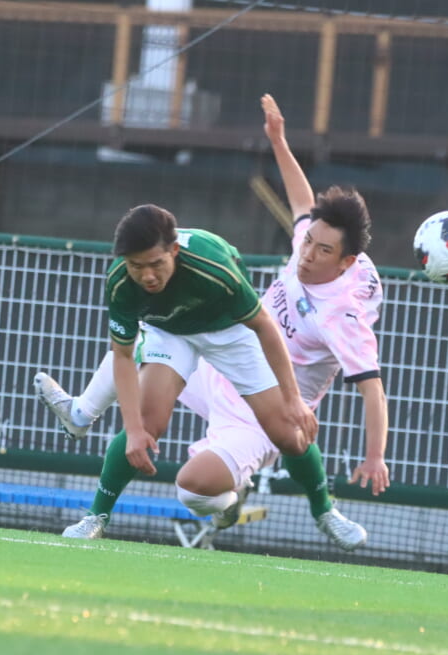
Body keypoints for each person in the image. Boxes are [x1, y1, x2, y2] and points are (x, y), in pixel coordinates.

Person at [40, 93, 390, 549]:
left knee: (250, 458)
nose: (307, 253)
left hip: (239, 350)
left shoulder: (334, 311)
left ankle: (321, 510)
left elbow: (277, 335)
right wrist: (279, 141)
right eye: (308, 242)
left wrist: (364, 449)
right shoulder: (125, 280)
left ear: (345, 262)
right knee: (144, 417)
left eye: (322, 250)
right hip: (188, 344)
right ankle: (94, 508)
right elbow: (303, 205)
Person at [54, 201, 319, 541]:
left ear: (174, 251)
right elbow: (122, 356)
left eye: (156, 264)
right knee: (146, 424)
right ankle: (96, 517)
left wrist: (294, 398)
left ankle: (324, 509)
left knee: (286, 434)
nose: (147, 276)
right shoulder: (120, 282)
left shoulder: (213, 267)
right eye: (136, 266)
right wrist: (133, 431)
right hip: (170, 332)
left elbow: (264, 326)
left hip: (227, 330)